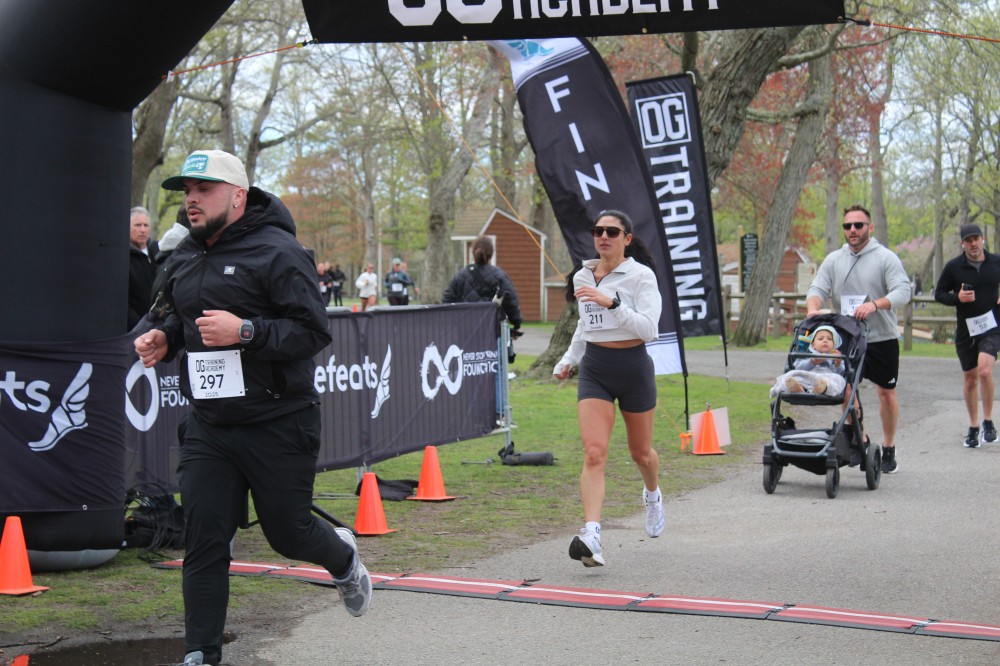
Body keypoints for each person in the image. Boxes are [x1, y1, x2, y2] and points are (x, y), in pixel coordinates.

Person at [133, 150, 370, 666]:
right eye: (187, 192)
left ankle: (343, 558)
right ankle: (201, 654)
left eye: (205, 189)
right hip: (210, 424)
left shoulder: (279, 251)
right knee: (203, 540)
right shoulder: (184, 255)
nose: (192, 200)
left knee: (289, 534)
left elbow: (313, 331)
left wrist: (245, 331)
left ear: (238, 196)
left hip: (277, 420)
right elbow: (183, 320)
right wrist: (165, 339)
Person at [551, 210, 663, 568]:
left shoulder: (641, 276)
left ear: (626, 238)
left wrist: (613, 303)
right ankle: (592, 535)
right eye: (598, 230)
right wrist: (569, 359)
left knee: (641, 453)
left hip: (633, 368)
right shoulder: (583, 275)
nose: (603, 236)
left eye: (612, 232)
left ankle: (652, 495)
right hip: (596, 369)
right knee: (594, 453)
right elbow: (585, 325)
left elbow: (649, 330)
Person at [806, 204, 911, 474]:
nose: (852, 230)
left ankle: (889, 447)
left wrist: (875, 304)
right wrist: (813, 308)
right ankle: (860, 439)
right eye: (848, 226)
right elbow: (817, 288)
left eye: (858, 225)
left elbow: (903, 291)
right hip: (848, 338)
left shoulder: (885, 257)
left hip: (881, 337)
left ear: (869, 227)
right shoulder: (834, 259)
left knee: (886, 393)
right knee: (846, 389)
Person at [933, 223, 1000, 448]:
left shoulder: (996, 262)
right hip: (966, 331)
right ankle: (973, 426)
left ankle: (988, 422)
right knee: (970, 379)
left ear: (983, 239)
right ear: (962, 243)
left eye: (976, 239)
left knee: (985, 370)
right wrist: (957, 298)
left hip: (992, 327)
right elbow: (939, 293)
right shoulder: (954, 267)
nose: (973, 244)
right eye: (968, 240)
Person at [443, 236, 523, 332]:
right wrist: (516, 323)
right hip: (492, 332)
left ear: (473, 252)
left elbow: (447, 300)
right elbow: (511, 301)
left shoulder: (460, 275)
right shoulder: (499, 276)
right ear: (491, 254)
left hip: (465, 331)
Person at [770, 326, 846, 399]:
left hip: (827, 378)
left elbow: (841, 372)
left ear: (834, 344)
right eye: (820, 339)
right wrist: (812, 362)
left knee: (839, 379)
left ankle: (820, 388)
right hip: (810, 376)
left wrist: (838, 363)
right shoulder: (808, 355)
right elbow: (797, 367)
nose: (825, 341)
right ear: (813, 345)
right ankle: (797, 388)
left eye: (829, 339)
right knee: (793, 374)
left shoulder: (835, 356)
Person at [128, 206, 158, 330]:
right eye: (137, 225)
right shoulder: (122, 257)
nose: (142, 230)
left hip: (162, 326)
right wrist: (139, 325)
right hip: (135, 328)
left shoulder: (159, 251)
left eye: (146, 225)